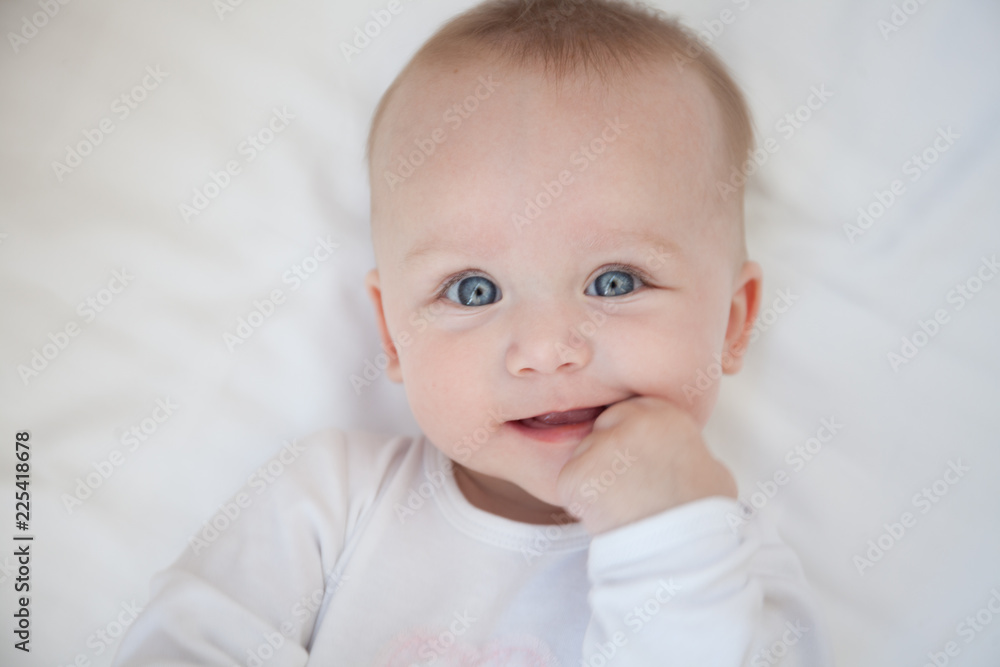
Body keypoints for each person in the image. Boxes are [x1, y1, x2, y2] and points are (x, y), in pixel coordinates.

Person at [115, 0, 832, 664]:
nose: (547, 349)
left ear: (732, 321)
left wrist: (670, 540)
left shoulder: (729, 565)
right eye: (473, 290)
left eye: (615, 281)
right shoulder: (326, 503)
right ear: (393, 336)